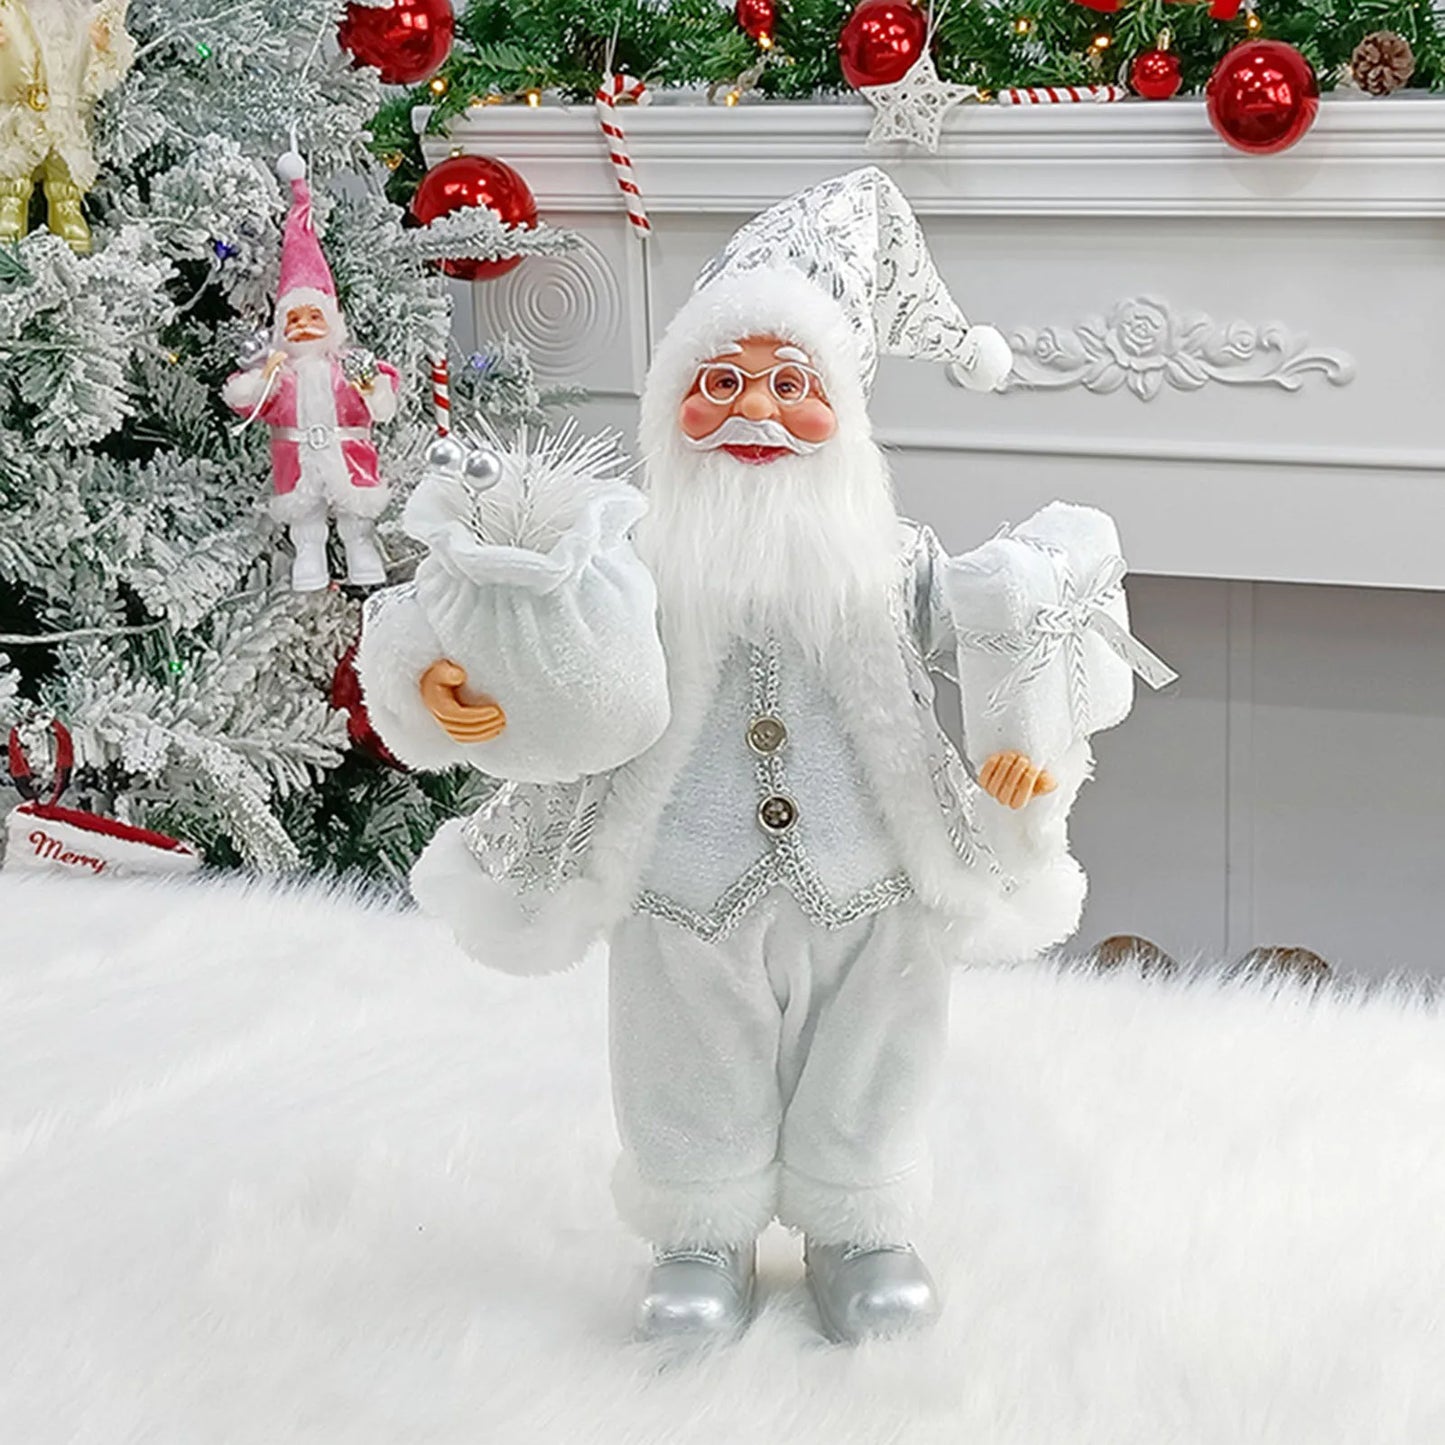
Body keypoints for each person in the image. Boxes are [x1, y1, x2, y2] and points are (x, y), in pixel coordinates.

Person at [358, 169, 1136, 1346]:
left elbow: (1002, 643)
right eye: (718, 383)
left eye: (789, 384)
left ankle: (857, 1219)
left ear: (845, 410)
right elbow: (521, 623)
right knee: (680, 1046)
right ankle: (698, 1227)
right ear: (671, 402)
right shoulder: (626, 559)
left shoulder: (892, 558)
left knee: (875, 1033)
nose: (754, 410)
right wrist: (453, 676)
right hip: (682, 872)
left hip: (866, 869)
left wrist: (1019, 760)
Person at [223, 154, 399, 591]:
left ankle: (361, 551)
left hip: (347, 458)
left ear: (332, 324)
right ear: (281, 328)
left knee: (356, 514)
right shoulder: (282, 374)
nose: (302, 326)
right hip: (296, 460)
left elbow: (380, 402)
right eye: (293, 319)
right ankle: (309, 560)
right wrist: (261, 379)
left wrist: (372, 389)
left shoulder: (349, 365)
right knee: (305, 519)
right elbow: (251, 402)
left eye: (312, 317)